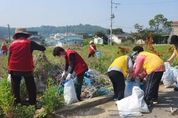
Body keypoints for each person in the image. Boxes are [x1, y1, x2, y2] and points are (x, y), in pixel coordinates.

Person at [8, 28, 46, 107]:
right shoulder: (30, 43)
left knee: (15, 86)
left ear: (17, 36)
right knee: (31, 86)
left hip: (14, 68)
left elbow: (9, 57)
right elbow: (43, 48)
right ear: (26, 35)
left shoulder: (12, 44)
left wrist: (9, 70)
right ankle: (32, 103)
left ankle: (16, 103)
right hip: (27, 68)